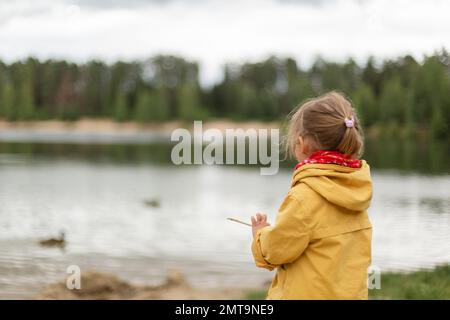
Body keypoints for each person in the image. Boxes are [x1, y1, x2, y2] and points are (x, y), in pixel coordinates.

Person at [251, 91, 373, 299]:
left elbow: (277, 250)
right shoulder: (357, 191)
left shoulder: (305, 196)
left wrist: (261, 235)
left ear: (302, 143)